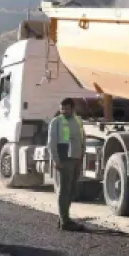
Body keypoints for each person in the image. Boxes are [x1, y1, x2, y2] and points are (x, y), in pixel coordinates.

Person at [48, 98, 87, 231]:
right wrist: (56, 160)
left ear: (73, 109)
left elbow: (83, 137)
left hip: (76, 158)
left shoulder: (78, 120)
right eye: (62, 108)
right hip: (64, 160)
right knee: (64, 190)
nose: (64, 111)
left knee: (72, 190)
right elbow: (51, 142)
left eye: (67, 108)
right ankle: (65, 221)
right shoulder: (56, 121)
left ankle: (63, 217)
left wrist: (83, 152)